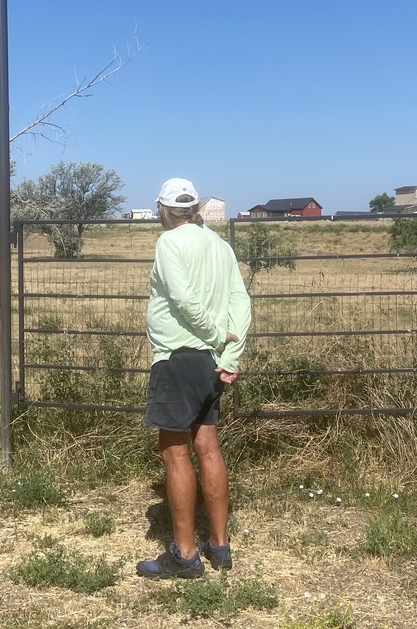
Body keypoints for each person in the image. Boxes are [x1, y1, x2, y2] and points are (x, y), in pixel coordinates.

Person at [136, 177, 251, 580]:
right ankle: (219, 546)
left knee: (175, 453)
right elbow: (241, 300)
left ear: (164, 209)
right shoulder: (220, 245)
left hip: (178, 357)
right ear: (196, 206)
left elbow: (183, 299)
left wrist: (215, 335)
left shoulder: (170, 242)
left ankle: (185, 555)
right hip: (211, 363)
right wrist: (229, 354)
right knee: (209, 447)